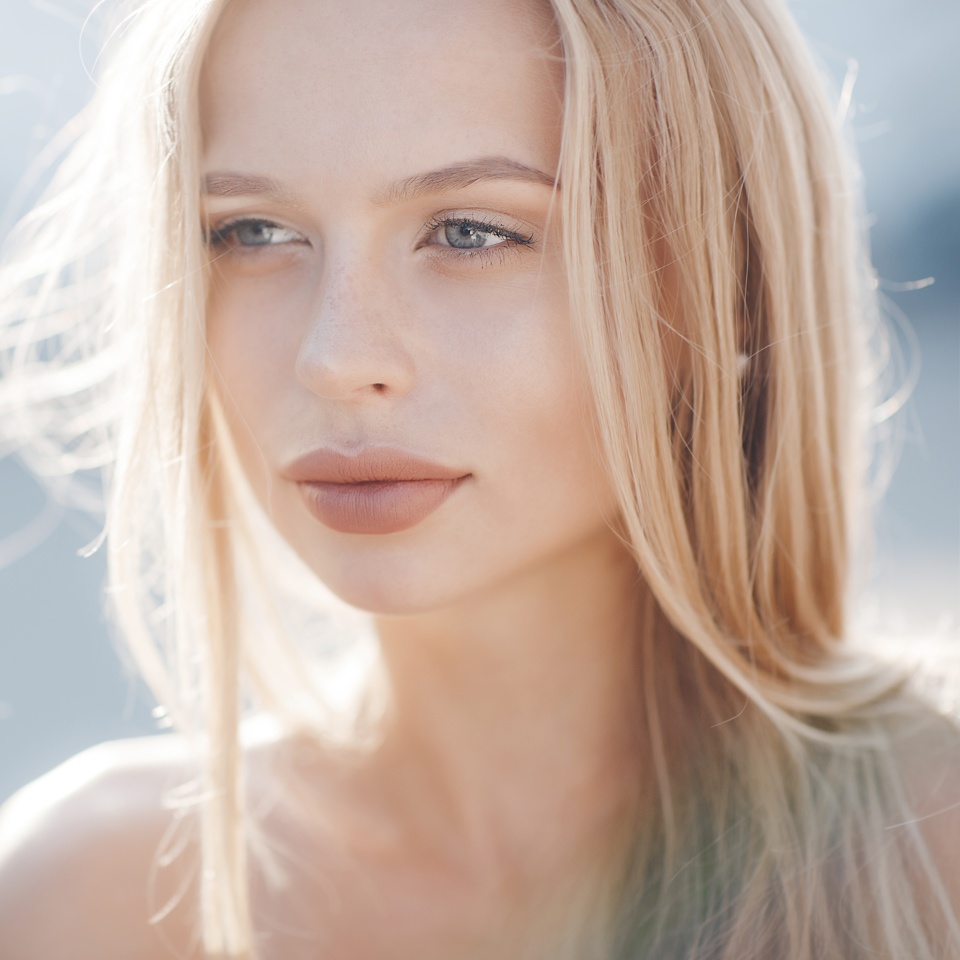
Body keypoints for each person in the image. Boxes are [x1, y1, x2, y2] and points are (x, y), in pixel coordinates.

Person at [0, 0, 957, 956]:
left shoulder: (934, 848)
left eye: (469, 232)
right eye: (252, 232)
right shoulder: (86, 901)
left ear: (725, 281)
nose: (335, 358)